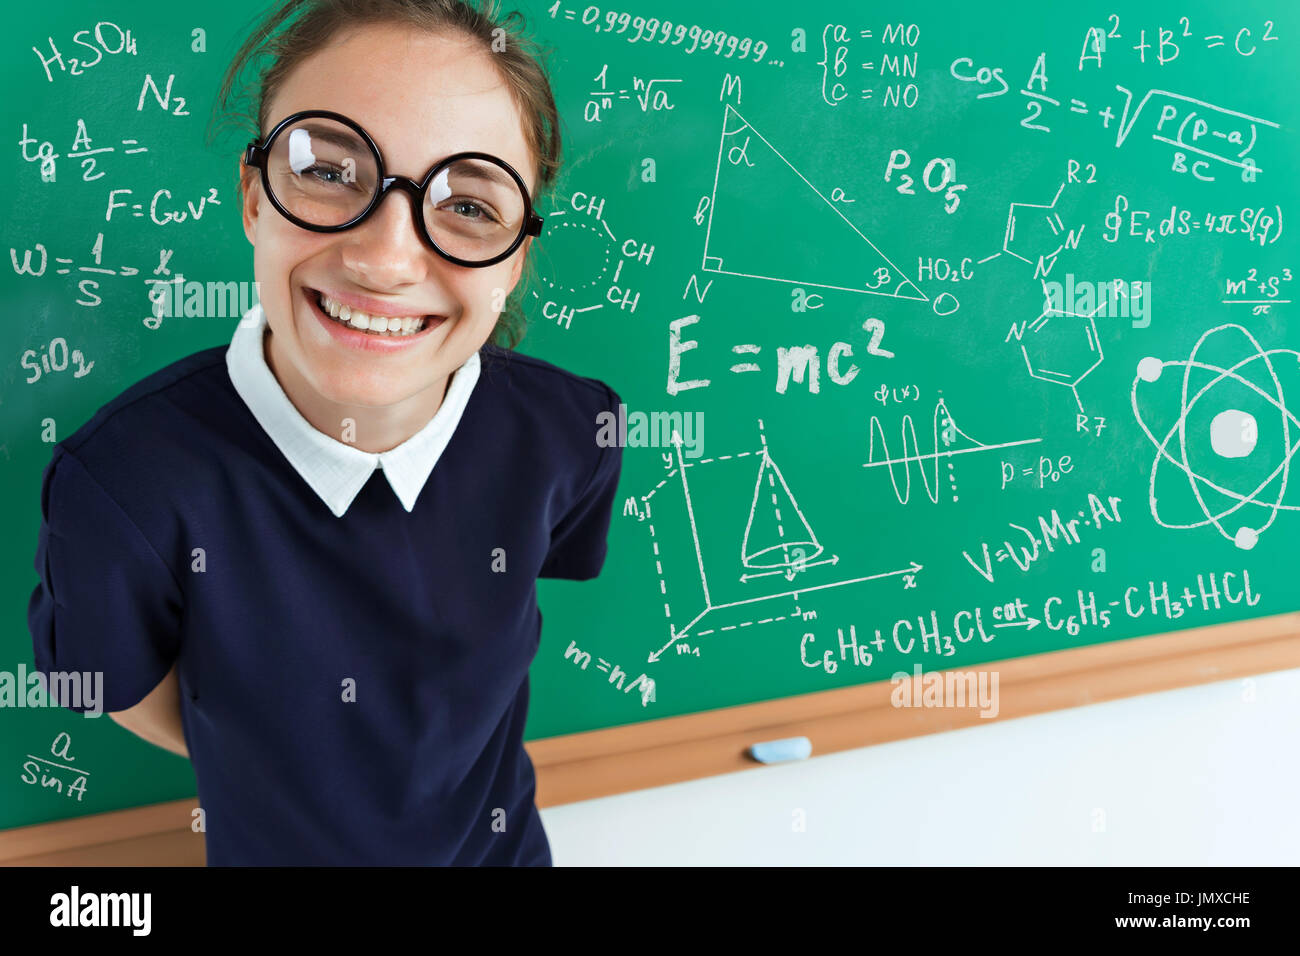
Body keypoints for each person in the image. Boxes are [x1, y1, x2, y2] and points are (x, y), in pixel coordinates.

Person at [26, 0, 622, 866]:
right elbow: (114, 684)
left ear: (518, 257)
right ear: (252, 198)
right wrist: (276, 761)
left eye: (470, 206)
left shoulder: (574, 430)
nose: (385, 259)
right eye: (328, 170)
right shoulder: (122, 483)